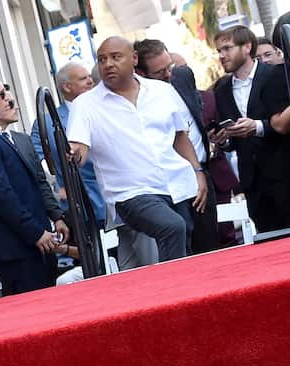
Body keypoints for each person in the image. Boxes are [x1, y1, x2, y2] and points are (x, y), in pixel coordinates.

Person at [68, 36, 207, 264]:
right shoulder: (85, 105)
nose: (108, 64)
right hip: (130, 193)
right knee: (172, 227)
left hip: (177, 184)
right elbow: (79, 148)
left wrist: (197, 171)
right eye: (102, 59)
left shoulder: (162, 91)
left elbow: (179, 136)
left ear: (134, 58)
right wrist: (73, 153)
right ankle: (176, 284)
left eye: (115, 57)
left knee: (187, 247)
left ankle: (179, 284)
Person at [0, 77, 67, 296]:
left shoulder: (1, 136)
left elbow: (36, 182)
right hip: (16, 248)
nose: (9, 99)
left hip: (31, 244)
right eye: (2, 94)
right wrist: (35, 233)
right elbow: (0, 194)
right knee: (33, 308)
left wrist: (56, 217)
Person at [134, 39, 221, 252]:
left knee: (210, 245)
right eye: (159, 72)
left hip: (201, 173)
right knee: (181, 248)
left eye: (169, 67)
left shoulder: (182, 77)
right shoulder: (136, 100)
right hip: (168, 182)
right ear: (141, 73)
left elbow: (195, 111)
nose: (168, 74)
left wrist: (200, 169)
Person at [213, 26, 290, 232]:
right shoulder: (221, 90)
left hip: (284, 172)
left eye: (227, 48)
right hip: (253, 184)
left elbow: (285, 122)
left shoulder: (275, 74)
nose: (222, 55)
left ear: (247, 47)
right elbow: (231, 141)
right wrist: (223, 139)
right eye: (219, 51)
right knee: (268, 241)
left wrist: (257, 126)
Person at [31, 62, 106, 231]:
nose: (90, 81)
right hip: (80, 206)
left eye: (90, 77)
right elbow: (36, 161)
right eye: (83, 78)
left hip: (119, 198)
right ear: (67, 87)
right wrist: (57, 189)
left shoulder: (107, 109)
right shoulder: (48, 122)